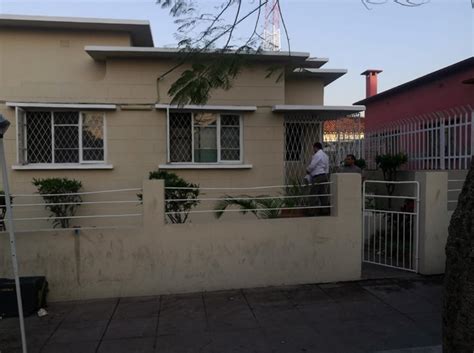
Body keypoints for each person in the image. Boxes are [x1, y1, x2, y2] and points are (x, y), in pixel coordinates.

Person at [305, 142, 330, 215]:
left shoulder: (317, 155)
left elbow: (313, 165)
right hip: (323, 175)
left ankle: (311, 212)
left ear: (315, 147)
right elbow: (327, 167)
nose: (313, 150)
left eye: (313, 148)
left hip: (317, 176)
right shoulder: (325, 156)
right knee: (322, 193)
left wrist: (308, 170)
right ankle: (324, 210)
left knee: (313, 193)